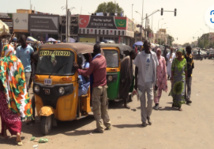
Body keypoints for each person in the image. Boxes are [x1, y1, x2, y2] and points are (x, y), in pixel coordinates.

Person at [0, 44, 32, 145]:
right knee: (15, 111)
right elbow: (22, 79)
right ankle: (16, 131)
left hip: (4, 92)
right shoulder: (18, 61)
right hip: (17, 93)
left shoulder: (2, 61)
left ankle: (8, 132)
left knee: (5, 112)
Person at [77, 43, 111, 133]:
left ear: (93, 51)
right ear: (100, 51)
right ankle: (108, 124)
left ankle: (100, 128)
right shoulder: (103, 59)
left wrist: (78, 70)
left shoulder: (94, 62)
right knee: (104, 107)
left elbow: (87, 73)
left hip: (97, 88)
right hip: (104, 86)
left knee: (96, 108)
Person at [134, 40, 159, 127]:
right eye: (146, 45)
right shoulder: (139, 55)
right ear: (143, 47)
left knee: (151, 100)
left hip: (150, 83)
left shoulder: (154, 55)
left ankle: (148, 115)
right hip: (141, 83)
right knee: (142, 102)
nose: (148, 47)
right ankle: (144, 120)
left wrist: (156, 82)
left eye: (149, 45)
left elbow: (156, 69)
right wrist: (135, 83)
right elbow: (136, 69)